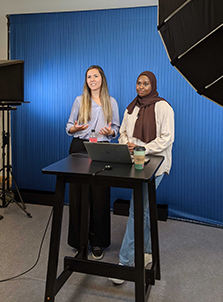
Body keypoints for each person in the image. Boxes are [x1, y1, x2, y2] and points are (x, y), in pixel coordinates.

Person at [110, 70, 174, 284]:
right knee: (144, 209)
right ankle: (147, 252)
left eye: (145, 83)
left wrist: (142, 147)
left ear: (152, 85)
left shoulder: (163, 107)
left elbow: (167, 138)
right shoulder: (132, 108)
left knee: (137, 209)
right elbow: (124, 134)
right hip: (134, 161)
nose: (141, 87)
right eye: (138, 83)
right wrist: (126, 144)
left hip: (155, 163)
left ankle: (125, 262)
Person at [66, 65, 120, 260]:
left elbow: (116, 129)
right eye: (89, 77)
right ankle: (79, 241)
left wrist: (110, 132)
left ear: (102, 79)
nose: (92, 79)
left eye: (95, 76)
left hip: (101, 150)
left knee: (100, 196)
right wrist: (76, 128)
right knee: (79, 196)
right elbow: (69, 126)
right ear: (86, 80)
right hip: (80, 147)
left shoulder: (111, 102)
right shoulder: (79, 101)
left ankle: (98, 242)